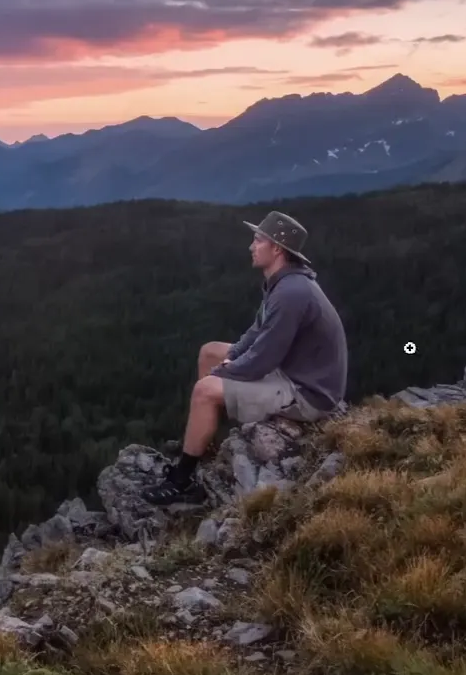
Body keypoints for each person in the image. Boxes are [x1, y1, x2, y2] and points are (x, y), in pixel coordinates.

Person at [142, 210, 348, 505]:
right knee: (209, 350)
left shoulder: (292, 293)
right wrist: (228, 361)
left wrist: (228, 371)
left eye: (257, 240)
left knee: (204, 390)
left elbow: (263, 359)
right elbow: (255, 335)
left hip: (308, 393)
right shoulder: (283, 284)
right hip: (293, 371)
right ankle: (205, 443)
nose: (251, 247)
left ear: (276, 248)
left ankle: (182, 480)